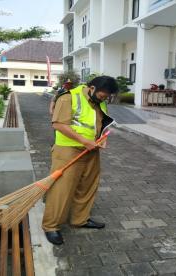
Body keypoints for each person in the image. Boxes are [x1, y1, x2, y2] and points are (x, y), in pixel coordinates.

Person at [42, 76, 118, 245]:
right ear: (91, 88)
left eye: (107, 97)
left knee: (87, 186)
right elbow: (58, 124)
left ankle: (80, 219)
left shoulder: (101, 101)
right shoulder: (68, 97)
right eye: (102, 96)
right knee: (61, 188)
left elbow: (98, 123)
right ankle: (51, 226)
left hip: (91, 150)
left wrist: (101, 138)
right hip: (68, 150)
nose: (104, 99)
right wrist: (84, 141)